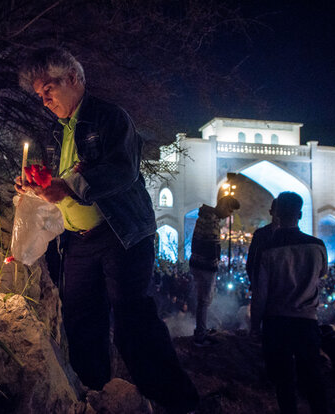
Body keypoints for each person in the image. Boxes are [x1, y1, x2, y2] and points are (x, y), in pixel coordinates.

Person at [15, 47, 198, 413]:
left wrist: (65, 188)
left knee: (132, 320)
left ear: (73, 78)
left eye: (48, 88)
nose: (44, 99)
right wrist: (41, 189)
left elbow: (120, 170)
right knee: (82, 320)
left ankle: (177, 402)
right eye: (39, 94)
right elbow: (68, 180)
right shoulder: (62, 130)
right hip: (80, 242)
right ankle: (96, 397)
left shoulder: (110, 118)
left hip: (122, 235)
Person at [251, 191, 328, 414]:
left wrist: (255, 326)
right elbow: (321, 273)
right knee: (313, 378)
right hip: (306, 321)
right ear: (301, 214)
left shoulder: (266, 249)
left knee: (283, 382)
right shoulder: (317, 246)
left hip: (276, 323)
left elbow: (260, 293)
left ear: (276, 214)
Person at [189, 196, 239, 346]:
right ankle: (201, 335)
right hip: (205, 266)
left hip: (199, 263)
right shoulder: (211, 219)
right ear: (223, 205)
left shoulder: (208, 216)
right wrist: (214, 262)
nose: (229, 214)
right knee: (204, 300)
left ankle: (202, 329)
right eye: (229, 210)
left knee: (204, 300)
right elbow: (211, 245)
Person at [246, 198, 278, 292]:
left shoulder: (290, 236)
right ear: (271, 212)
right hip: (263, 288)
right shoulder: (261, 234)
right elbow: (252, 262)